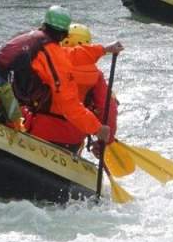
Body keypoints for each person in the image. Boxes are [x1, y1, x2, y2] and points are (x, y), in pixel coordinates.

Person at [23, 21, 122, 155]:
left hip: (39, 130)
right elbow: (107, 109)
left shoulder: (45, 62)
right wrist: (104, 141)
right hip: (73, 138)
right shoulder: (96, 76)